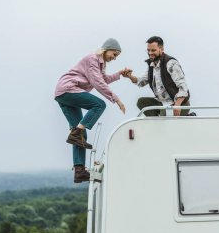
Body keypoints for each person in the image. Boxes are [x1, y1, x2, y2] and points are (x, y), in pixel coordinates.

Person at [54, 38, 127, 183]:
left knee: (79, 132)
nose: (115, 58)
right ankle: (76, 133)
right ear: (107, 49)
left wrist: (120, 74)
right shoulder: (93, 59)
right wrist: (117, 99)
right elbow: (98, 83)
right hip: (69, 89)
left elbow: (103, 79)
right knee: (99, 105)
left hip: (63, 94)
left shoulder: (100, 64)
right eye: (114, 54)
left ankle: (79, 171)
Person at [124, 36, 192, 116]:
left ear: (161, 49)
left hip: (178, 104)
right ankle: (156, 124)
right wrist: (130, 76)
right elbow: (142, 81)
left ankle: (170, 120)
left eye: (153, 50)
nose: (150, 53)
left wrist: (177, 105)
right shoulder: (152, 65)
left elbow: (183, 87)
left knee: (164, 113)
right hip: (162, 103)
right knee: (141, 102)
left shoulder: (171, 63)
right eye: (148, 50)